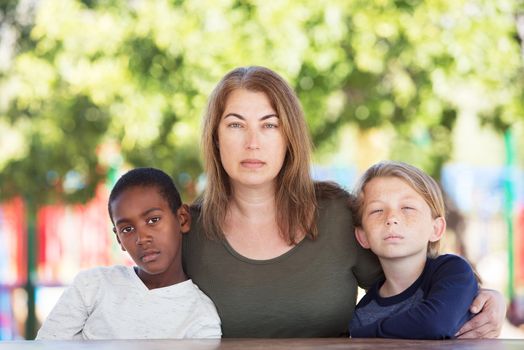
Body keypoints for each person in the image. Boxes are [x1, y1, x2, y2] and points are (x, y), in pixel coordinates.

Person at [182, 66, 506, 338]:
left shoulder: (337, 215)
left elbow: (418, 282)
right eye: (236, 125)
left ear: (289, 137)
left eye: (270, 125)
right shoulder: (185, 231)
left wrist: (487, 296)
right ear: (215, 136)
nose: (253, 142)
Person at [37, 168, 221, 340]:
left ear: (182, 219)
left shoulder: (201, 316)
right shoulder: (92, 286)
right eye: (127, 229)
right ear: (119, 240)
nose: (141, 238)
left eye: (153, 220)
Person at [349, 161, 478, 339]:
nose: (391, 218)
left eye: (407, 208)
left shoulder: (454, 272)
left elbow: (436, 324)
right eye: (377, 210)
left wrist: (365, 335)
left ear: (436, 229)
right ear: (363, 236)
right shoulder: (363, 314)